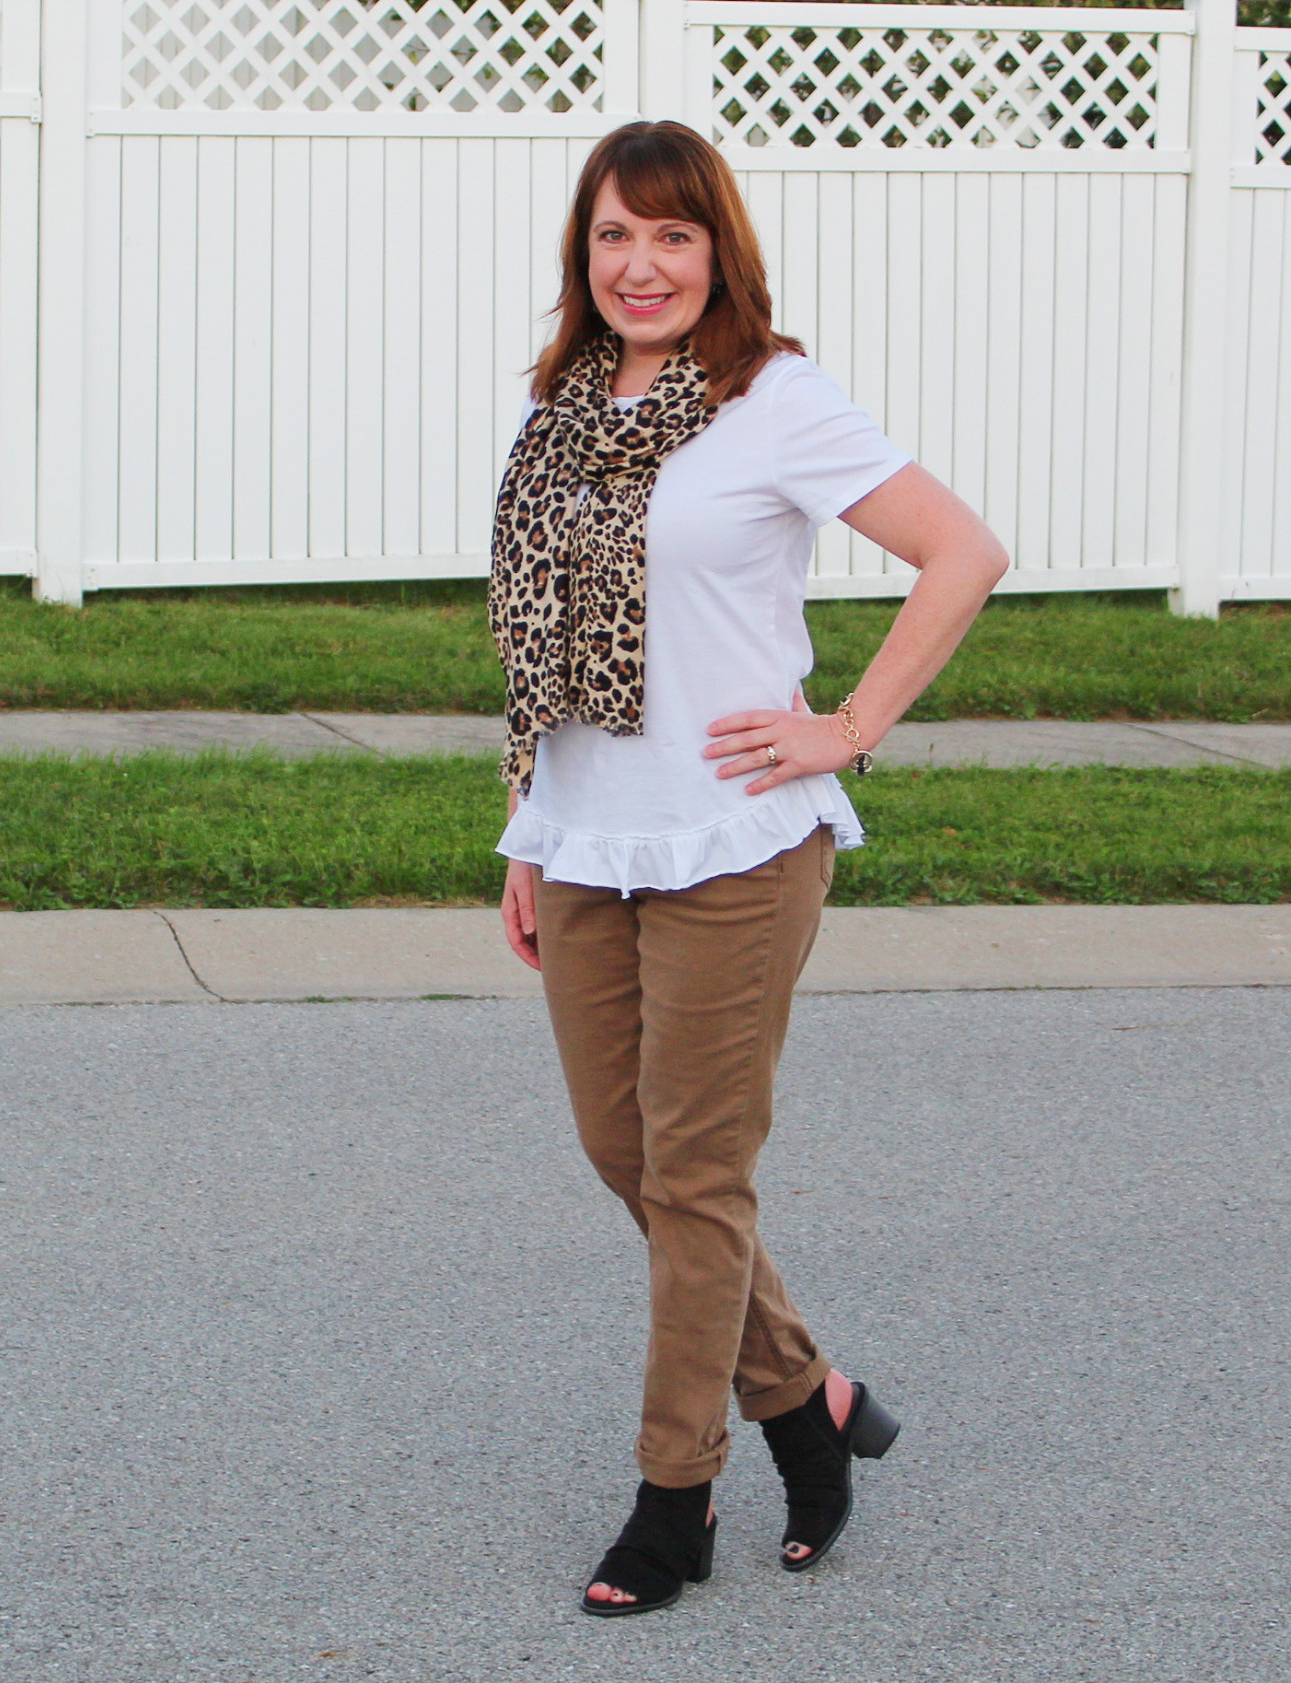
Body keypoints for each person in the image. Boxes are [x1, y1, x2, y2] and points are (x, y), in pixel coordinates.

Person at [487, 120, 1008, 1617]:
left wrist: (842, 727)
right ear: (579, 257)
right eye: (610, 237)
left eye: (668, 235)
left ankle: (677, 1491)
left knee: (696, 1173)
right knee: (622, 1154)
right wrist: (525, 822)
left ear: (716, 248)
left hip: (735, 840)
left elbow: (962, 551)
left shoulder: (773, 399)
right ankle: (808, 1400)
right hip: (587, 832)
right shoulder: (559, 407)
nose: (637, 266)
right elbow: (534, 643)